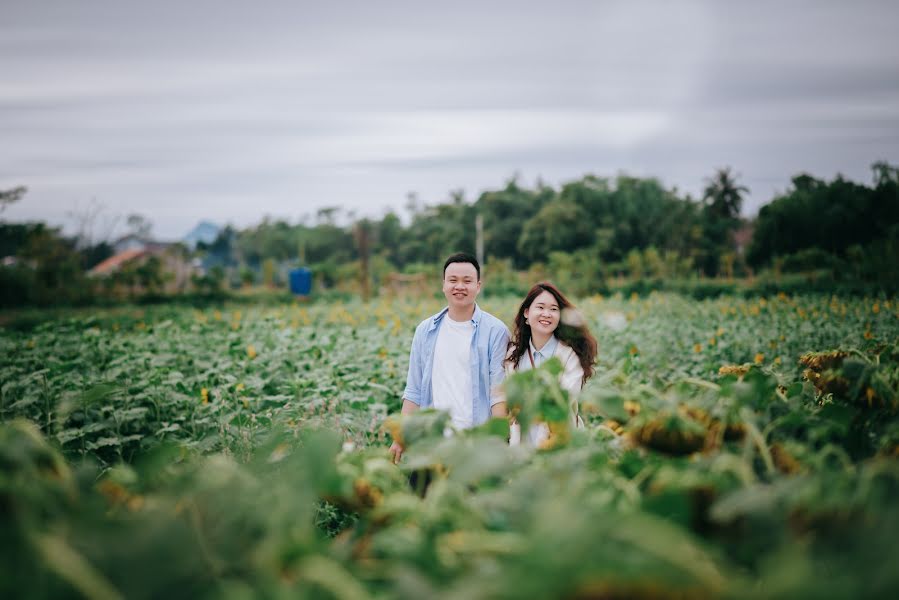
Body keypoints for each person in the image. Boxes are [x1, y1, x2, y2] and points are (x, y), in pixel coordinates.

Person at [389, 253, 510, 464]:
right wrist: (401, 436)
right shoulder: (425, 330)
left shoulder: (496, 331)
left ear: (478, 286)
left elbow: (498, 393)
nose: (459, 286)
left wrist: (499, 439)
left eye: (467, 281)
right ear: (443, 285)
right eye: (453, 280)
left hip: (475, 442)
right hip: (431, 442)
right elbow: (414, 390)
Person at [505, 282, 598, 446]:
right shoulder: (513, 356)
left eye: (554, 309)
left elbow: (561, 403)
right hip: (522, 448)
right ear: (526, 313)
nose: (546, 314)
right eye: (540, 307)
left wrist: (523, 408)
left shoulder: (570, 357)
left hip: (560, 446)